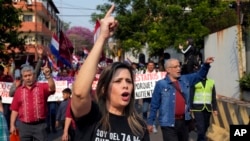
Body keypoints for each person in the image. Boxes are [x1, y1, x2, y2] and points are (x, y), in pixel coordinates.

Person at [70, 5, 150, 141]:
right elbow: (79, 93)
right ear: (103, 89)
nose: (125, 85)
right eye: (118, 81)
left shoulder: (140, 127)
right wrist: (102, 37)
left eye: (128, 81)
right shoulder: (92, 117)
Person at [147, 57, 214, 141]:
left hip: (184, 122)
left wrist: (206, 64)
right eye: (175, 67)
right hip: (168, 123)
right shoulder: (161, 84)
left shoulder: (185, 80)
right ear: (168, 69)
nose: (179, 69)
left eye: (179, 66)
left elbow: (199, 75)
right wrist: (150, 122)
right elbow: (154, 105)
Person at [10, 61, 56, 141]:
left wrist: (48, 75)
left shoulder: (42, 87)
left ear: (34, 75)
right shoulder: (18, 91)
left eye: (30, 75)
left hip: (40, 125)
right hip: (24, 126)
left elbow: (52, 88)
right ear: (22, 78)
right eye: (25, 76)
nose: (28, 78)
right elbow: (15, 109)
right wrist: (12, 125)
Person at [142, 60, 158, 133]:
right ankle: (144, 124)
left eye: (152, 65)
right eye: (149, 65)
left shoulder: (157, 74)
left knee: (153, 111)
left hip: (154, 96)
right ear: (147, 66)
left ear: (153, 66)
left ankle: (153, 125)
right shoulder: (143, 73)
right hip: (146, 96)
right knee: (144, 110)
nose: (151, 67)